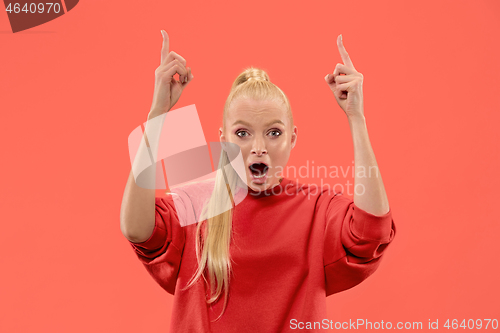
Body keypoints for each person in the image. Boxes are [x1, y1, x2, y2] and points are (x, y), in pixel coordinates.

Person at [120, 30, 397, 332]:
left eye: (274, 132)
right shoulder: (196, 204)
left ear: (293, 139)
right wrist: (157, 113)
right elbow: (136, 228)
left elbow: (372, 231)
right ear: (223, 140)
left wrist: (356, 117)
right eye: (242, 133)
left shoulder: (317, 209)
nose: (258, 147)